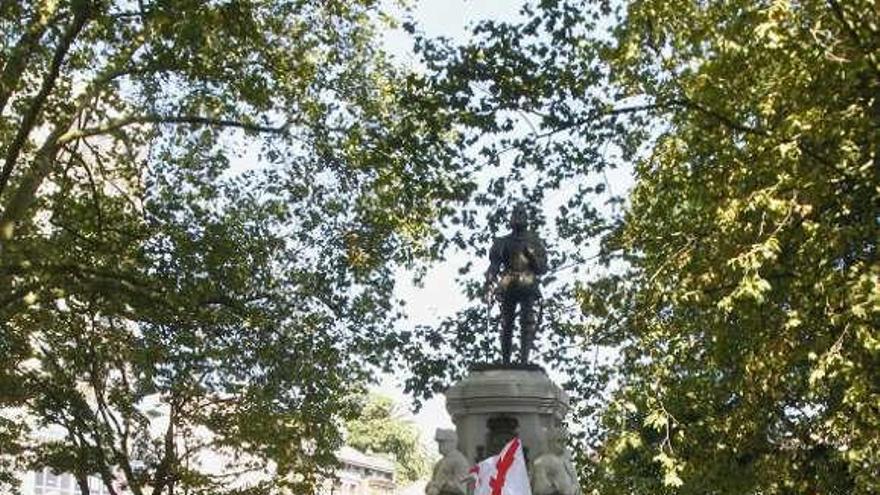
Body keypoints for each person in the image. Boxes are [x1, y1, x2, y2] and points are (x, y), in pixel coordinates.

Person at [484, 204, 548, 364]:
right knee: (506, 322)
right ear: (510, 219)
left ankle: (524, 360)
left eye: (521, 214)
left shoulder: (535, 242)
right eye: (515, 214)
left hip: (527, 283)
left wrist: (531, 256)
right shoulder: (502, 242)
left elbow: (541, 268)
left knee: (527, 321)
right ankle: (505, 360)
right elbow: (494, 265)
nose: (518, 217)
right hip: (508, 284)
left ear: (526, 219)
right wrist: (489, 280)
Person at [426, 429, 470, 495]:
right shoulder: (439, 463)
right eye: (439, 443)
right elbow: (432, 482)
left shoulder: (460, 461)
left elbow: (460, 488)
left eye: (442, 442)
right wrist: (431, 486)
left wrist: (439, 486)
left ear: (452, 443)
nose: (440, 445)